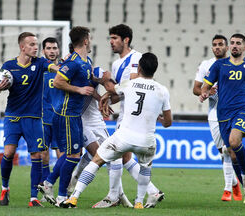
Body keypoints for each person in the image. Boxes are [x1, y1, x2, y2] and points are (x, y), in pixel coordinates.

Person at [62, 52, 172, 209]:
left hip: (124, 137)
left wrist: (106, 78)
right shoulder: (163, 90)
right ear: (155, 69)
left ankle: (74, 197)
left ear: (139, 67)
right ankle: (139, 202)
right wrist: (160, 119)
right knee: (145, 168)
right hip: (146, 141)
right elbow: (168, 122)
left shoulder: (130, 84)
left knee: (97, 160)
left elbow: (111, 88)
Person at [0, 32, 60, 207]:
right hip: (13, 116)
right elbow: (0, 87)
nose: (36, 47)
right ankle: (5, 187)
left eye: (36, 44)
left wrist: (65, 70)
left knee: (36, 155)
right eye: (32, 45)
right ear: (22, 47)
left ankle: (33, 198)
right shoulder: (9, 66)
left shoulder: (40, 63)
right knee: (8, 153)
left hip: (34, 118)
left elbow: (53, 68)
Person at [97, 24, 164, 208]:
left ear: (126, 40)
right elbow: (122, 92)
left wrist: (106, 87)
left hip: (133, 118)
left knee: (116, 155)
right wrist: (108, 98)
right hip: (125, 114)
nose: (111, 42)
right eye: (110, 38)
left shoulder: (136, 59)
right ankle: (152, 191)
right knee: (124, 157)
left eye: (115, 38)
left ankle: (113, 196)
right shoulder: (117, 63)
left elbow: (135, 85)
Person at [200, 33, 245, 204]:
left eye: (238, 43)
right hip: (223, 114)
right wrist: (204, 92)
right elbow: (205, 85)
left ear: (244, 47)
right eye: (233, 43)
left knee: (235, 142)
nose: (235, 45)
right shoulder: (220, 65)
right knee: (231, 154)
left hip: (243, 111)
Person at [38, 26, 94, 206]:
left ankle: (48, 182)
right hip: (66, 113)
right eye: (90, 39)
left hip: (75, 113)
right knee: (73, 155)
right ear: (85, 40)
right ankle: (62, 196)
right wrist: (79, 89)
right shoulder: (73, 62)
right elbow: (57, 81)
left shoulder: (85, 61)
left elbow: (88, 84)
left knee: (75, 153)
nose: (90, 41)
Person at [193, 35, 242, 201]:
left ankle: (227, 189)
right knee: (223, 151)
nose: (217, 47)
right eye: (214, 45)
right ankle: (234, 183)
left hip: (233, 112)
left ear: (227, 47)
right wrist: (205, 92)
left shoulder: (236, 64)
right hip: (214, 113)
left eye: (221, 44)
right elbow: (196, 89)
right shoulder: (206, 65)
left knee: (229, 150)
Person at [40, 37, 62, 189]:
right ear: (43, 51)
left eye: (54, 48)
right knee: (43, 155)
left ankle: (61, 187)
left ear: (58, 50)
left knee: (62, 155)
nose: (52, 51)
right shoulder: (39, 69)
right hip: (42, 118)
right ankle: (44, 185)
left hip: (60, 118)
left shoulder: (64, 68)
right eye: (49, 48)